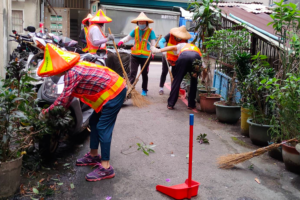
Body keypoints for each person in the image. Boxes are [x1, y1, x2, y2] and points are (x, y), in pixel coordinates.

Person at [38, 43, 126, 182]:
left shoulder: (71, 73)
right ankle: (93, 155)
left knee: (103, 127)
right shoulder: (73, 67)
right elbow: (68, 97)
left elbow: (63, 100)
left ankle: (106, 167)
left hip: (115, 91)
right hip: (107, 90)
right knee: (93, 121)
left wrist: (46, 112)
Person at [151, 37, 203, 110]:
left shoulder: (181, 45)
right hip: (196, 58)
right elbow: (202, 64)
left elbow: (170, 47)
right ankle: (191, 104)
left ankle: (171, 104)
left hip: (184, 57)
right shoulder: (195, 47)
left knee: (177, 80)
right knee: (194, 81)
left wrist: (158, 50)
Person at [117, 12, 156, 96]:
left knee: (144, 73)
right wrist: (121, 41)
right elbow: (128, 38)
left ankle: (144, 89)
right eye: (140, 23)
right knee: (132, 73)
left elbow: (153, 44)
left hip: (145, 56)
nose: (141, 24)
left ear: (146, 23)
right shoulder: (135, 30)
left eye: (143, 23)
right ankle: (130, 88)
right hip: (134, 55)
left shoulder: (151, 32)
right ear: (137, 23)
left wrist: (153, 53)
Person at [158, 26, 188, 95]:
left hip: (177, 59)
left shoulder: (185, 39)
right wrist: (163, 51)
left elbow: (186, 48)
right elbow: (161, 41)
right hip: (167, 57)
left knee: (174, 75)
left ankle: (173, 90)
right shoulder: (170, 35)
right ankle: (161, 88)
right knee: (164, 72)